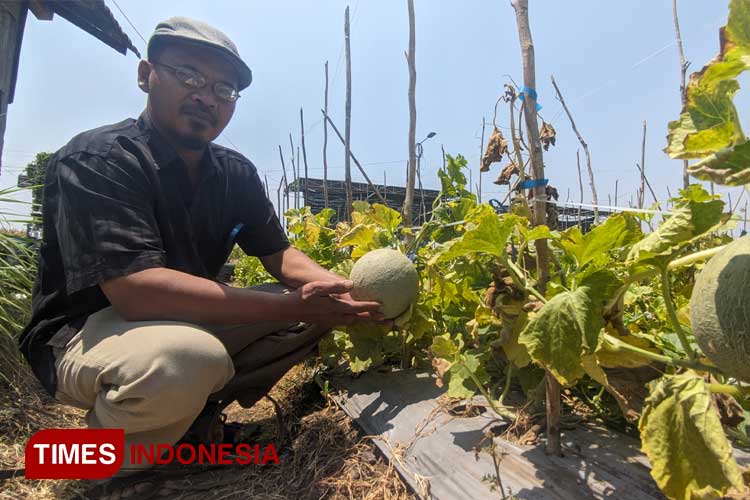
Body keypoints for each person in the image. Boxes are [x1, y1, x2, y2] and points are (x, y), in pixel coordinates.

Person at [18, 16, 382, 497]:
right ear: (147, 74)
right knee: (186, 358)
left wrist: (347, 291)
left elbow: (279, 254)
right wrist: (293, 304)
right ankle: (101, 464)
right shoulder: (100, 158)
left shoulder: (235, 173)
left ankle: (190, 428)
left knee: (316, 315)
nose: (207, 96)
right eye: (189, 75)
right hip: (83, 333)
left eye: (224, 89)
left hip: (180, 320)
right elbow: (136, 292)